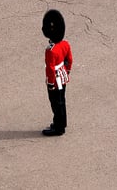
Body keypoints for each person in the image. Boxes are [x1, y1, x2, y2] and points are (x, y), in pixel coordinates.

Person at [42, 9, 72, 137]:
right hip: (63, 75)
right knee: (61, 100)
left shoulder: (51, 50)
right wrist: (67, 70)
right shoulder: (65, 44)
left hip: (56, 78)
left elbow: (50, 69)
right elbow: (69, 59)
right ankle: (61, 123)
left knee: (55, 102)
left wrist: (50, 83)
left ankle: (58, 127)